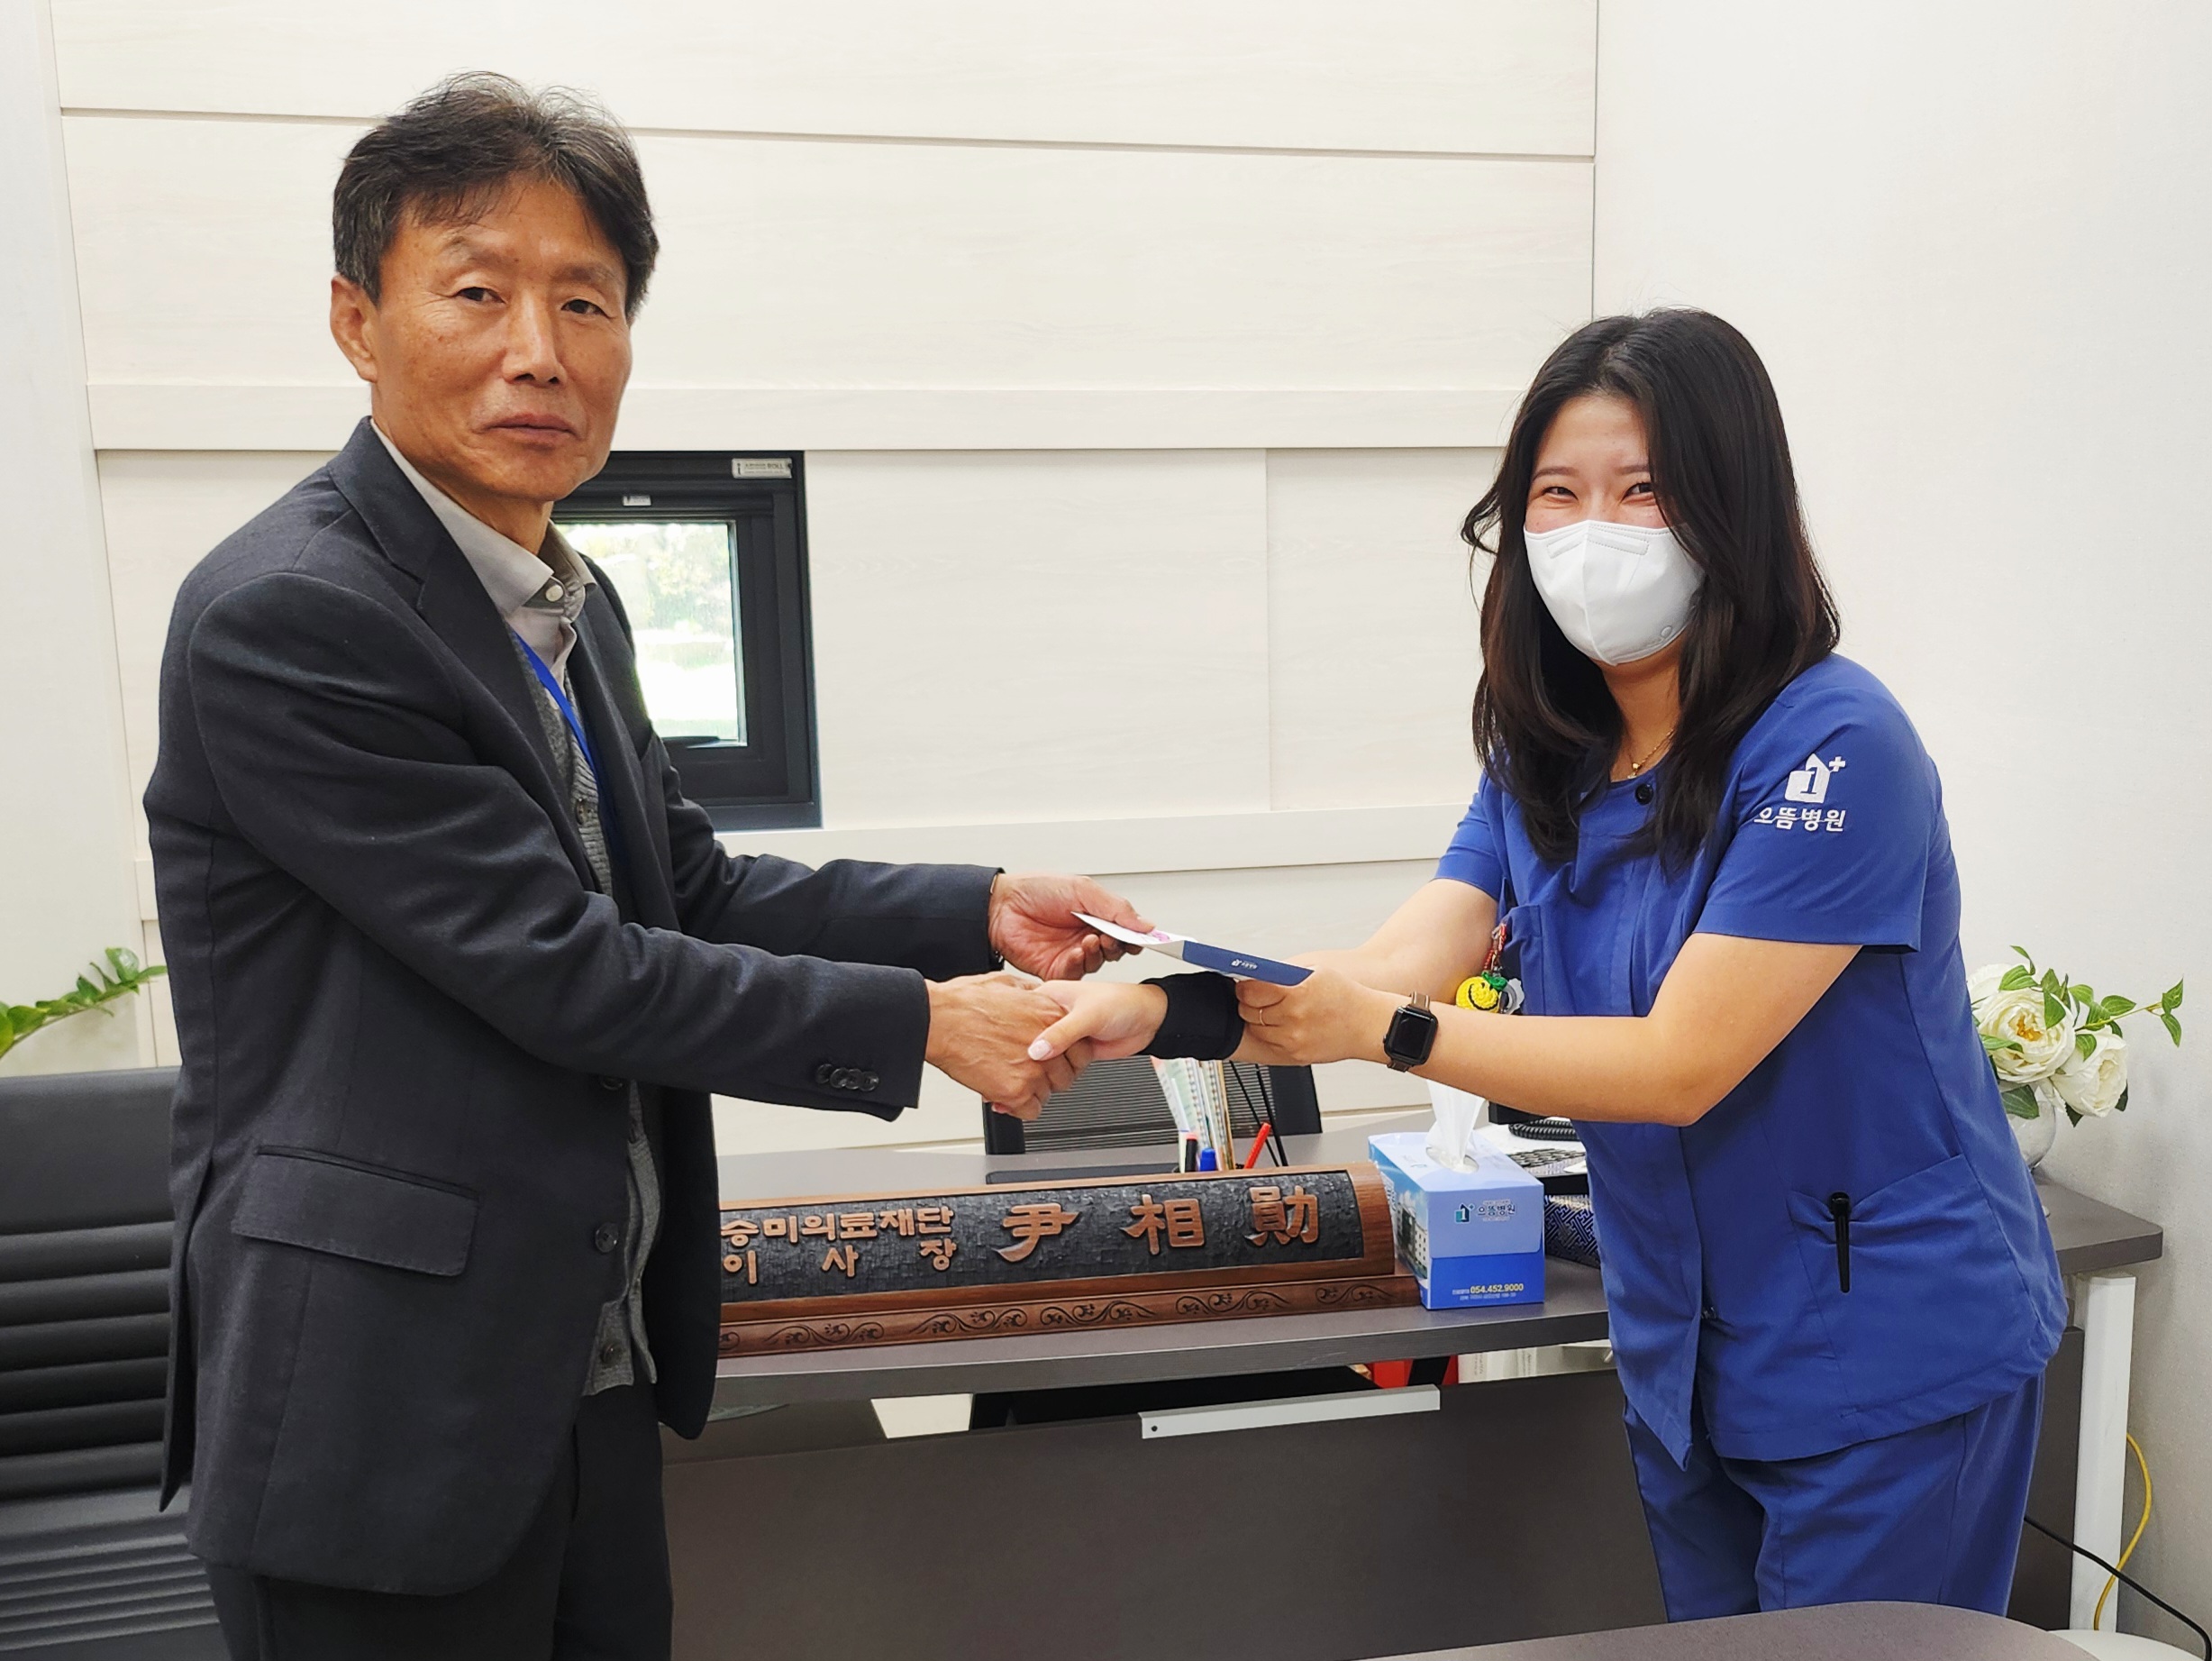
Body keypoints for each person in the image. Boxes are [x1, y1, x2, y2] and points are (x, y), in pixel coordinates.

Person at [146, 73, 1148, 1661]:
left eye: (586, 300)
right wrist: (920, 1025)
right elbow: (561, 965)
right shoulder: (292, 613)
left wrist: (972, 907)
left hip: (584, 1361)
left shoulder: (563, 599)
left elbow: (688, 889)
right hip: (378, 1399)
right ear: (356, 322)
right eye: (476, 292)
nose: (539, 349)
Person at [1033, 310, 2067, 1616]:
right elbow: (1408, 953)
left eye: (1643, 491)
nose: (1594, 533)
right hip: (1689, 1344)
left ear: (1734, 509)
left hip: (1886, 1346)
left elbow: (1679, 1063)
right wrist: (1161, 1001)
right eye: (1557, 495)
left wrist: (1386, 1032)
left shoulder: (1836, 746)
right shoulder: (1547, 752)